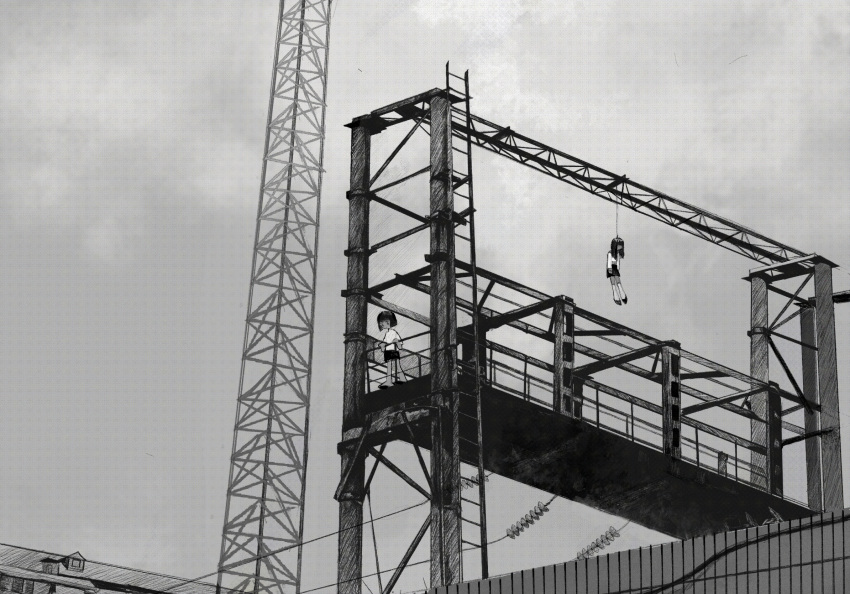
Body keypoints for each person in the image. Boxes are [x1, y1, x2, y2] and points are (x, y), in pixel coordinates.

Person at [377, 310, 406, 388]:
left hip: (393, 351)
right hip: (388, 351)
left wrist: (397, 342)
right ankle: (389, 381)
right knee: (390, 366)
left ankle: (402, 378)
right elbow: (385, 342)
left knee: (397, 365)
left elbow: (400, 345)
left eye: (382, 322)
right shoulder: (387, 333)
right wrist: (382, 344)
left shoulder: (393, 332)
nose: (381, 324)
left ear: (388, 322)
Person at [607, 237, 628, 305]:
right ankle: (616, 297)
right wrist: (609, 268)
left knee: (618, 281)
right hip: (611, 268)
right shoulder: (610, 253)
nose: (620, 246)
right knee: (613, 282)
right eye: (619, 245)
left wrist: (618, 267)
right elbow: (609, 261)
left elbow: (618, 262)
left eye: (621, 245)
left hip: (615, 268)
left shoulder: (618, 254)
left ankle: (622, 295)